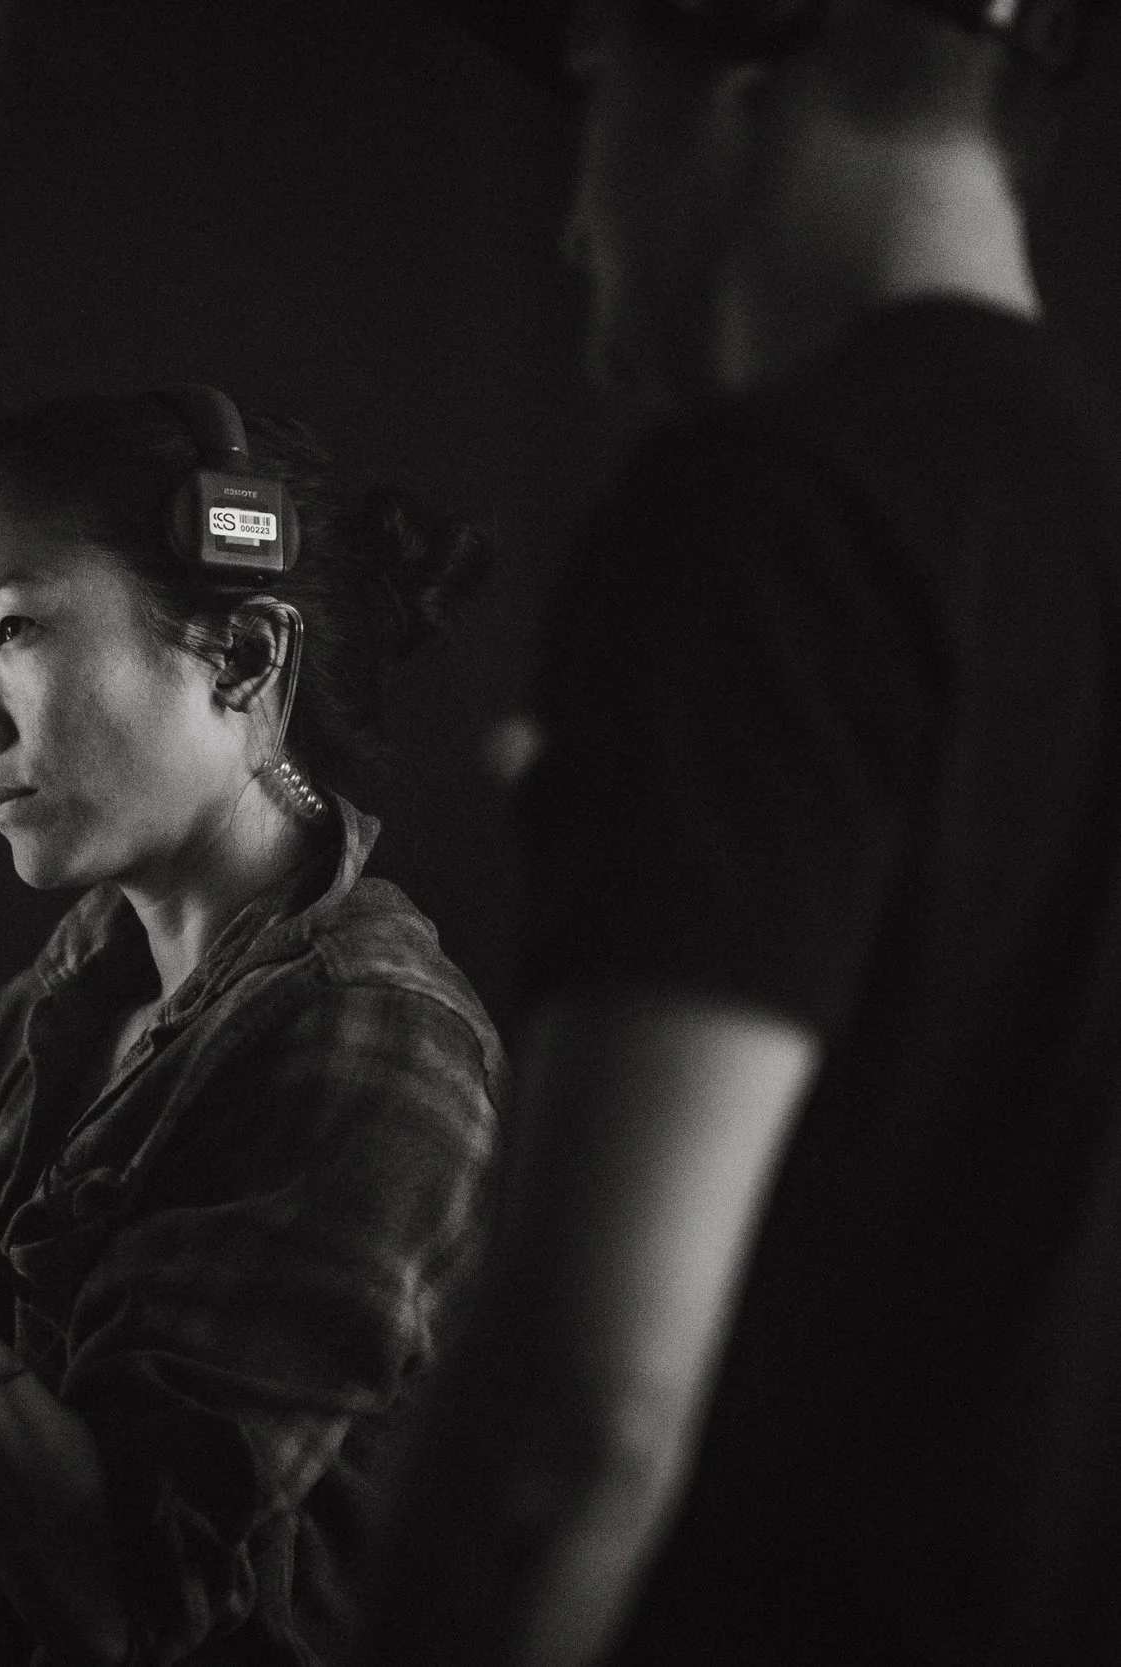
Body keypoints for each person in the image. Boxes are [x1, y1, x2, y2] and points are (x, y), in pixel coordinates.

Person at [365, 3, 1121, 1662]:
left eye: (593, 89)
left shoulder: (763, 518)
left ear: (731, 68)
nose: (576, 218)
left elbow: (579, 1428)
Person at [0, 389, 507, 1665]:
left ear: (242, 656)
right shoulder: (31, 1022)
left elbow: (121, 1596)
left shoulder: (373, 1038)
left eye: (18, 628)